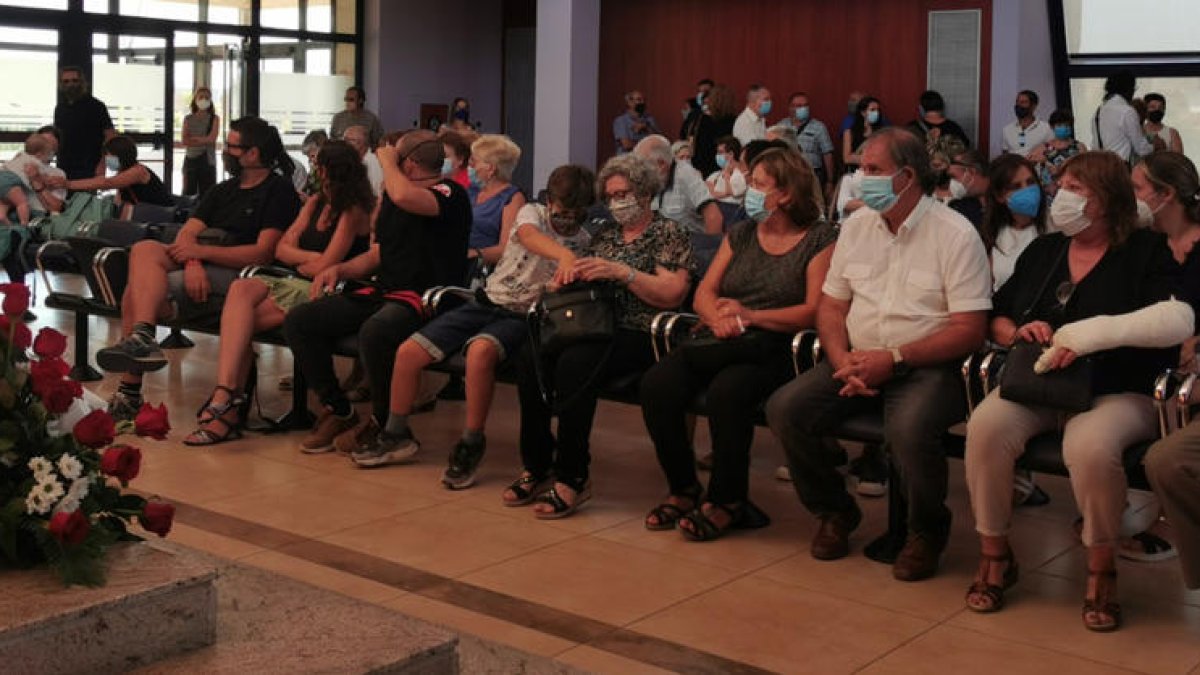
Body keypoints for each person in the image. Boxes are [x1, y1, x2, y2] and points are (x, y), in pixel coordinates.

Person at [964, 152, 1187, 632]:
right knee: (985, 428)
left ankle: (1100, 568)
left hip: (1117, 387)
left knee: (1089, 446)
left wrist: (1089, 338)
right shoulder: (1043, 252)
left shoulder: (1147, 252)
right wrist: (1018, 332)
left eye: (1077, 188)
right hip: (1041, 382)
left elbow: (1170, 324)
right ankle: (995, 553)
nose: (1062, 196)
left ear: (1107, 199)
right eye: (1061, 184)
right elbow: (998, 315)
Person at [766, 127, 991, 582]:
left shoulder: (954, 233)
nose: (861, 178)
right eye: (860, 169)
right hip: (855, 358)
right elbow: (832, 305)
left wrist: (896, 359)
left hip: (927, 365)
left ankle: (925, 531)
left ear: (907, 176)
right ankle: (835, 512)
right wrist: (841, 356)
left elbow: (970, 329)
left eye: (872, 170)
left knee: (907, 428)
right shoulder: (857, 227)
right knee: (785, 409)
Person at [641, 148, 836, 540]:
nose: (748, 190)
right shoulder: (743, 233)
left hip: (776, 343)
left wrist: (749, 316)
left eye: (759, 184)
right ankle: (683, 488)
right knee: (657, 386)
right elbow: (704, 293)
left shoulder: (819, 239)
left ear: (785, 194)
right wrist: (719, 318)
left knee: (727, 394)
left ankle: (729, 501)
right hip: (722, 335)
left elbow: (814, 310)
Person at [381, 165, 595, 485]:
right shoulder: (531, 213)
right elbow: (528, 237)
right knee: (409, 352)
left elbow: (568, 288)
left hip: (524, 316)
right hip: (486, 301)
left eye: (577, 214)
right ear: (550, 201)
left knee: (480, 352)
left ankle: (471, 441)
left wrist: (563, 279)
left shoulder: (584, 241)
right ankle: (395, 432)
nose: (568, 220)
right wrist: (562, 255)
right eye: (563, 212)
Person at [512, 153, 692, 518]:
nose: (616, 203)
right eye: (610, 196)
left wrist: (623, 273)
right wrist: (567, 277)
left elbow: (672, 293)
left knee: (575, 365)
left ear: (644, 193)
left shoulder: (667, 232)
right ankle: (536, 463)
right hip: (592, 321)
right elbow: (584, 274)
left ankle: (572, 476)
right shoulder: (606, 234)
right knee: (530, 356)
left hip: (640, 330)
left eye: (623, 193)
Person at [96, 117, 302, 420]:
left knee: (134, 294)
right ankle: (142, 336)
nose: (224, 151)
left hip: (241, 272)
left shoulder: (277, 191)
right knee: (144, 249)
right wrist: (192, 261)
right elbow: (187, 233)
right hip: (203, 261)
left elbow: (261, 253)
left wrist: (200, 253)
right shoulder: (223, 190)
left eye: (231, 146)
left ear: (252, 154)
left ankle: (130, 387)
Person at [283, 130, 472, 457]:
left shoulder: (448, 191)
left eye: (395, 160)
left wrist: (385, 159)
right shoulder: (395, 196)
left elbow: (405, 197)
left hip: (429, 295)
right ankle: (339, 409)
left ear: (408, 164)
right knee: (302, 319)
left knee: (377, 331)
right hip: (386, 288)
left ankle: (389, 427)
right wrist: (341, 269)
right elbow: (378, 254)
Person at [183, 140, 373, 445]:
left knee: (238, 327)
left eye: (316, 164)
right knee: (241, 290)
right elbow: (281, 249)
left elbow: (327, 264)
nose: (313, 169)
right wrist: (310, 259)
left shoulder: (353, 210)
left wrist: (305, 258)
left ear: (326, 169)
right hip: (297, 279)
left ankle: (226, 404)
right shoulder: (314, 203)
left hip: (327, 288)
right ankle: (227, 396)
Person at [1126, 151, 1200, 563]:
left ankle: (1172, 519)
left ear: (1166, 193)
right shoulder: (1143, 244)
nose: (1131, 197)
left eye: (1138, 189)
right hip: (1148, 359)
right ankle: (1103, 504)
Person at [634, 134, 721, 273]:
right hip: (661, 249)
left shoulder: (685, 174)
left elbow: (714, 216)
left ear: (661, 164)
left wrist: (713, 263)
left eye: (643, 167)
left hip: (692, 251)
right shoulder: (651, 181)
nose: (640, 172)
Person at [64, 135, 173, 220]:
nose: (107, 159)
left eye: (109, 155)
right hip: (142, 213)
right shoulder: (123, 172)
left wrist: (68, 184)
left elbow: (108, 183)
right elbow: (118, 201)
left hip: (159, 214)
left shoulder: (138, 171)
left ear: (121, 155)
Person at [981, 154, 1047, 291]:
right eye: (1016, 186)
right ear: (1000, 196)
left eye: (1030, 182)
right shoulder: (992, 235)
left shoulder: (1057, 225)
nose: (1026, 190)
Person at [467, 134, 526, 268]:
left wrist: (471, 254)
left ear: (491, 168)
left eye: (474, 161)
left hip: (481, 267)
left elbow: (506, 249)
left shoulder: (512, 198)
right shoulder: (471, 191)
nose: (470, 166)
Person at [53, 66, 115, 180]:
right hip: (63, 166)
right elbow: (56, 136)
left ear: (82, 82)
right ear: (61, 84)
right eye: (66, 81)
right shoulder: (60, 108)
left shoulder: (96, 106)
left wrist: (103, 164)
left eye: (74, 80)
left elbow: (110, 136)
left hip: (90, 167)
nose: (70, 84)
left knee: (85, 198)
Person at [778, 91, 836, 199]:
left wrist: (830, 181)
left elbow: (827, 154)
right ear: (790, 108)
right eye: (799, 106)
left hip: (813, 175)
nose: (803, 108)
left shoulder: (819, 127)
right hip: (788, 175)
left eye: (806, 105)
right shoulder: (781, 126)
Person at [1092, 70, 1155, 165]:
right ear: (1127, 89)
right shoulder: (1127, 111)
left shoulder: (1098, 112)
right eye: (1133, 88)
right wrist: (1155, 146)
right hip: (1120, 167)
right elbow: (1141, 149)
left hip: (1101, 167)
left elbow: (1095, 146)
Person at [0, 134, 55, 226]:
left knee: (5, 202)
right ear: (39, 155)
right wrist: (48, 179)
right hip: (10, 179)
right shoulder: (35, 162)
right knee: (22, 203)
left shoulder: (20, 154)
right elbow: (41, 176)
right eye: (48, 155)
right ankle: (24, 225)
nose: (49, 158)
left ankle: (3, 219)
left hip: (2, 175)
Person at [1030, 109, 1088, 195]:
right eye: (1060, 125)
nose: (1064, 128)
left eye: (1067, 125)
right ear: (1052, 126)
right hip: (1050, 195)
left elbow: (1086, 172)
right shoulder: (1043, 148)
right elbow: (1026, 165)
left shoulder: (1079, 147)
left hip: (1073, 193)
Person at [689, 83, 738, 177]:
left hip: (706, 167)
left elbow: (700, 147)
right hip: (728, 165)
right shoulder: (735, 120)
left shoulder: (704, 120)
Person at [181, 86, 219, 199]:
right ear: (195, 99)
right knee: (188, 193)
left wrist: (194, 139)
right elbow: (184, 140)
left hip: (207, 160)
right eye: (201, 97)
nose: (204, 100)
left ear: (210, 100)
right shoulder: (188, 118)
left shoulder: (214, 118)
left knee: (207, 194)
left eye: (207, 97)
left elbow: (212, 138)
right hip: (190, 159)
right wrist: (204, 140)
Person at [705, 135, 746, 225]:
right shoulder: (715, 175)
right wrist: (726, 193)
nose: (717, 156)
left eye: (720, 152)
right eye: (717, 153)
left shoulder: (741, 175)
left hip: (733, 214)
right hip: (716, 211)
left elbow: (735, 193)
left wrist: (727, 179)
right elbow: (709, 193)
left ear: (731, 154)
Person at [1001, 90, 1053, 157]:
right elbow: (1005, 154)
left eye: (1023, 102)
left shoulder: (1047, 128)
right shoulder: (1006, 130)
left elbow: (1051, 151)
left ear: (1033, 106)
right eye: (1017, 102)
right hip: (1013, 166)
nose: (1018, 105)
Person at [946, 149, 988, 228]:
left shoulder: (1003, 203)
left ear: (971, 172)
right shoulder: (958, 208)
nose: (951, 183)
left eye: (954, 177)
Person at [842, 96, 885, 172]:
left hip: (876, 173)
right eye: (872, 110)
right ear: (863, 113)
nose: (876, 113)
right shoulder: (850, 132)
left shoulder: (882, 132)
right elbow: (847, 158)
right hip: (856, 173)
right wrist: (872, 159)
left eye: (878, 110)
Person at [612, 90, 660, 155]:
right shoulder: (621, 121)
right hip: (627, 159)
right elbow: (626, 145)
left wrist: (646, 127)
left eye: (644, 100)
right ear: (630, 103)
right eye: (639, 100)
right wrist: (647, 145)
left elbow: (658, 140)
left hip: (646, 159)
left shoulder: (649, 119)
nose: (642, 102)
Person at [342, 125, 383, 197]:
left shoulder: (375, 163)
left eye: (347, 140)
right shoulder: (351, 161)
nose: (343, 144)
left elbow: (377, 194)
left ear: (360, 143)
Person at [680, 77, 715, 142]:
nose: (702, 95)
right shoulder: (694, 113)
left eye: (706, 92)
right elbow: (683, 132)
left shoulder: (717, 113)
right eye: (700, 92)